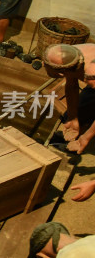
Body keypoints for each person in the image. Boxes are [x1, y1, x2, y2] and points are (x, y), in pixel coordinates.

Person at [41, 44, 95, 202]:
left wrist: (87, 137)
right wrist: (73, 118)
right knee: (81, 110)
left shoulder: (92, 75)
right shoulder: (67, 54)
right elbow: (71, 84)